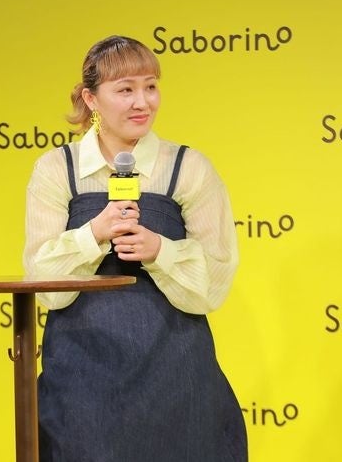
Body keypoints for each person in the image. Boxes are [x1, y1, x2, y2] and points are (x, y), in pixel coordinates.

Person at [23, 35, 247, 462]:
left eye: (151, 87)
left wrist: (159, 249)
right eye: (125, 89)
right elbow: (43, 281)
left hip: (176, 375)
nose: (142, 102)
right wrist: (94, 233)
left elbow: (215, 278)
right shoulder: (57, 170)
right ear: (91, 99)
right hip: (82, 377)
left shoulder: (188, 168)